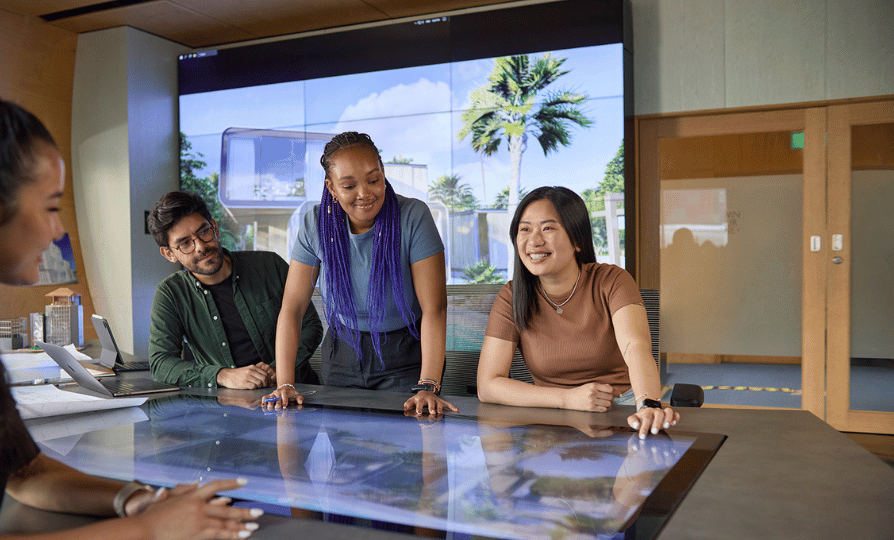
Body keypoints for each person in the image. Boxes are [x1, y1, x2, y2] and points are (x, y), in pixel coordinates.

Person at [0, 84, 260, 540]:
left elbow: (24, 471)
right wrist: (150, 531)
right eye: (50, 207)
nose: (58, 230)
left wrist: (135, 499)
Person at [264, 131, 456, 415]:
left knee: (409, 437)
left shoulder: (413, 216)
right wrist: (285, 384)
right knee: (346, 440)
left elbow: (435, 309)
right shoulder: (315, 225)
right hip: (342, 354)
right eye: (349, 185)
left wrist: (428, 385)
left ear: (383, 173)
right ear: (331, 187)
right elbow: (292, 308)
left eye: (373, 180)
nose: (365, 193)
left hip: (405, 355)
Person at [476, 186, 680, 438]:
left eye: (548, 228)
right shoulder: (511, 296)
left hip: (622, 413)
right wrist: (568, 398)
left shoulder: (612, 280)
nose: (534, 241)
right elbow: (488, 385)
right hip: (551, 416)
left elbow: (635, 346)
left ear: (577, 240)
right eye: (525, 229)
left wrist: (648, 404)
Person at [148, 190, 323, 390]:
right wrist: (223, 376)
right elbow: (160, 363)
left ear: (214, 227)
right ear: (169, 253)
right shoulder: (171, 294)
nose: (200, 247)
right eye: (185, 243)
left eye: (204, 232)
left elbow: (311, 326)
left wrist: (278, 370)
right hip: (228, 402)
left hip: (296, 392)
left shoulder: (270, 265)